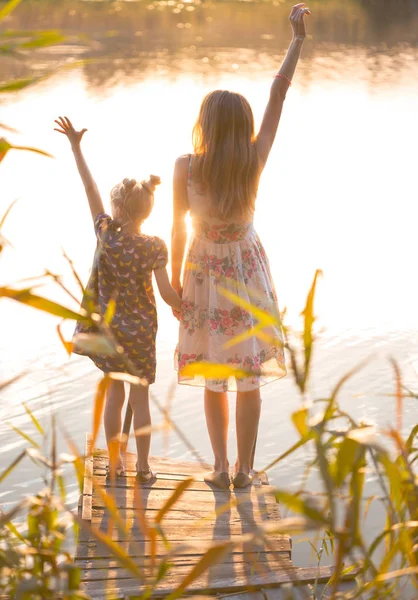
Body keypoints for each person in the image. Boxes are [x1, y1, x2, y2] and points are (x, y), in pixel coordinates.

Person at [171, 4, 310, 489]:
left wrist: (172, 287)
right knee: (247, 378)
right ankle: (245, 472)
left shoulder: (186, 166)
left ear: (205, 124)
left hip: (203, 271)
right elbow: (278, 93)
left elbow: (175, 227)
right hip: (246, 270)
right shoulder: (253, 158)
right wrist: (297, 41)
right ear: (240, 125)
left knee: (214, 376)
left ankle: (219, 466)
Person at [54, 116, 182, 483]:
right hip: (141, 333)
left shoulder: (106, 234)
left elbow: (88, 186)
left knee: (113, 396)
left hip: (110, 332)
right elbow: (166, 292)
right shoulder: (154, 246)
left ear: (117, 209)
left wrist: (76, 148)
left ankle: (115, 465)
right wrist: (183, 306)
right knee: (140, 402)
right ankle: (142, 466)